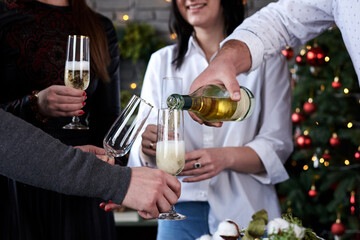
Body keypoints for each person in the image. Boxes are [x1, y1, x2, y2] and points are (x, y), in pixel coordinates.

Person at [127, 0, 293, 239]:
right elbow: (141, 151)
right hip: (177, 210)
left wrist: (224, 158)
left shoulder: (268, 61)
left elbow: (277, 145)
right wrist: (147, 147)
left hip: (245, 212)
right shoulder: (161, 62)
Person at [0, 0, 120, 239]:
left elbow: (108, 121)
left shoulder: (99, 27)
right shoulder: (4, 15)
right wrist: (34, 105)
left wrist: (115, 174)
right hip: (16, 189)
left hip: (82, 189)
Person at [0, 108, 181, 239]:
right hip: (17, 196)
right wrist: (117, 181)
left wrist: (113, 175)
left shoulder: (105, 54)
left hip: (84, 195)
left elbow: (106, 120)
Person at [190, 0, 360, 110]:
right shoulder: (162, 59)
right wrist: (226, 58)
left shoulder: (273, 63)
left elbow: (276, 141)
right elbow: (281, 19)